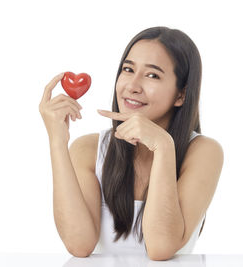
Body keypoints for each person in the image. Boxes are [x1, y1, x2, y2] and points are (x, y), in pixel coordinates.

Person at [39, 26, 224, 261]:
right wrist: (57, 140)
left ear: (181, 95)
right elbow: (79, 244)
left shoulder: (204, 152)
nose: (132, 86)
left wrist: (163, 146)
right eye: (128, 69)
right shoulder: (88, 149)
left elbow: (160, 248)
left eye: (152, 75)